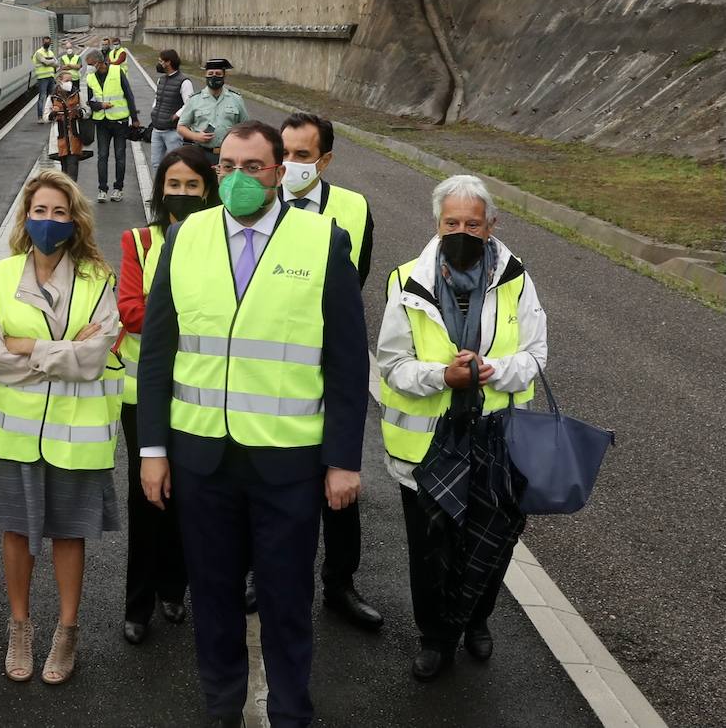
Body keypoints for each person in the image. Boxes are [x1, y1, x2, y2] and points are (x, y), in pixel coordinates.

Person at [137, 121, 368, 728]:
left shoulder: (323, 241)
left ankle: (292, 711)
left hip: (286, 463)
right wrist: (152, 450)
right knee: (212, 598)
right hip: (200, 459)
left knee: (287, 599)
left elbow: (347, 362)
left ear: (280, 174)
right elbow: (158, 354)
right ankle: (222, 707)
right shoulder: (185, 238)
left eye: (255, 168)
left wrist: (344, 459)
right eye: (229, 167)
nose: (239, 179)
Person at [377, 174, 548, 681]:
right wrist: (441, 376)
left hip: (497, 443)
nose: (462, 231)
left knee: (491, 542)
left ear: (491, 225)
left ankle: (476, 619)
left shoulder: (516, 278)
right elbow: (393, 363)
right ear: (436, 223)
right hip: (429, 443)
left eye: (473, 223)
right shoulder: (406, 280)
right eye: (452, 222)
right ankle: (435, 638)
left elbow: (536, 356)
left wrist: (491, 369)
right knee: (431, 550)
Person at [0, 171, 122, 686]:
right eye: (40, 211)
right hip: (12, 434)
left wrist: (28, 347)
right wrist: (63, 352)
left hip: (73, 433)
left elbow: (95, 359)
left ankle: (66, 629)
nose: (49, 221)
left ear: (74, 220)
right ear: (26, 217)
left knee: (67, 534)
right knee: (15, 531)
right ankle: (20, 627)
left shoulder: (97, 279)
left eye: (60, 212)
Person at [276, 111, 382, 631]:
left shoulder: (353, 208)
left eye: (302, 155)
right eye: (285, 154)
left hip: (329, 362)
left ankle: (340, 583)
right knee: (267, 479)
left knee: (339, 477)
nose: (290, 165)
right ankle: (259, 573)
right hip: (269, 366)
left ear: (325, 160)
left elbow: (353, 281)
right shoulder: (254, 201)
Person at [116, 146, 219, 646]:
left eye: (191, 186)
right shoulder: (138, 240)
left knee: (187, 496)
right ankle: (138, 603)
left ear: (207, 191)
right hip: (144, 394)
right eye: (173, 185)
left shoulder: (221, 242)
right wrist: (189, 312)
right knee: (145, 497)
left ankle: (173, 588)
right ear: (160, 190)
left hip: (200, 392)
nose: (181, 194)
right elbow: (131, 312)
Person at [84, 51, 141, 203]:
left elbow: (129, 95)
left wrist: (134, 118)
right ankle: (102, 189)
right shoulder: (90, 78)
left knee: (120, 156)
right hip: (101, 122)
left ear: (99, 62)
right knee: (102, 156)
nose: (88, 68)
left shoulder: (117, 71)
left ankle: (118, 188)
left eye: (90, 64)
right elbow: (90, 101)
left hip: (119, 122)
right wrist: (100, 105)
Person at [177, 58, 250, 156]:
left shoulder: (236, 99)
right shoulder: (195, 99)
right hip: (202, 153)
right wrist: (196, 136)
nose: (214, 77)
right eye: (210, 74)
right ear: (205, 76)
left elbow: (247, 128)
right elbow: (181, 127)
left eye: (218, 74)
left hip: (229, 154)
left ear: (224, 76)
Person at [148, 49, 194, 170]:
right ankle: (159, 189)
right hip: (157, 129)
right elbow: (157, 98)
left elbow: (190, 104)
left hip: (173, 131)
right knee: (156, 164)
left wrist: (176, 115)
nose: (159, 64)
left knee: (175, 165)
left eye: (161, 61)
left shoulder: (184, 82)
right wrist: (154, 110)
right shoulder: (161, 80)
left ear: (168, 62)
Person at [44, 70, 90, 180]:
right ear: (59, 81)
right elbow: (45, 117)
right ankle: (67, 192)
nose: (70, 83)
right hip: (61, 137)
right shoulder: (52, 97)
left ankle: (72, 192)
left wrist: (80, 113)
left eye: (71, 80)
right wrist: (53, 114)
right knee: (64, 169)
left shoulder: (77, 94)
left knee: (73, 166)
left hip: (75, 135)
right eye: (67, 80)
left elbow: (87, 111)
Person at [32, 36, 57, 121]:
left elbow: (56, 63)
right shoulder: (39, 52)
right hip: (42, 78)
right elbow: (45, 62)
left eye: (48, 42)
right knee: (42, 97)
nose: (47, 43)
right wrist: (51, 61)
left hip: (51, 77)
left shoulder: (50, 52)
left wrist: (50, 62)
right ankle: (40, 117)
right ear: (42, 42)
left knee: (51, 97)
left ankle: (51, 116)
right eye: (45, 42)